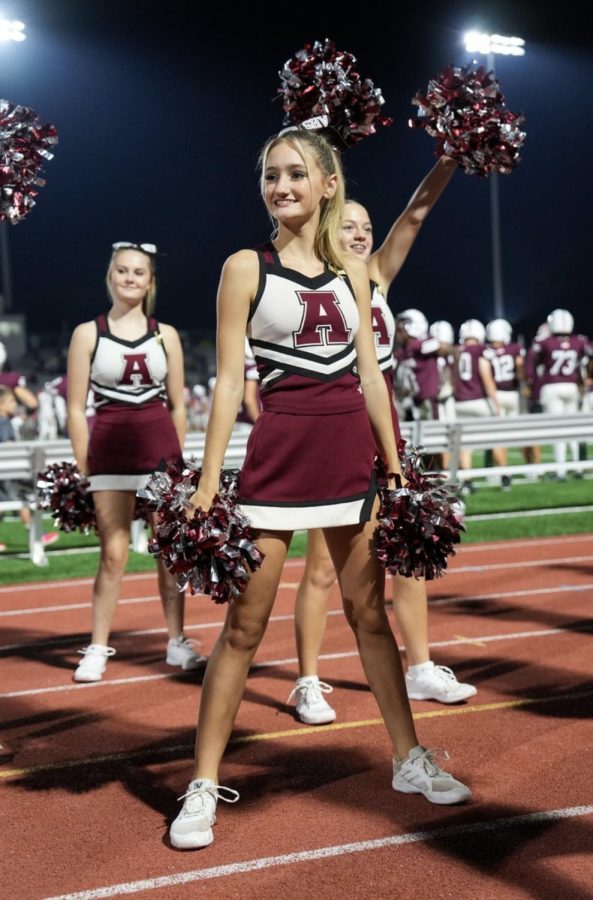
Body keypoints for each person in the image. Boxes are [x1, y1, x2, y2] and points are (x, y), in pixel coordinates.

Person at [169, 131, 471, 851]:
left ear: (327, 185)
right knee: (244, 628)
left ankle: (406, 759)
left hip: (349, 461)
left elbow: (370, 377)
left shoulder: (355, 272)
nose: (281, 186)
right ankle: (203, 782)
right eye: (271, 174)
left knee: (369, 616)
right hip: (277, 462)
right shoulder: (246, 268)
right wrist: (210, 478)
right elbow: (224, 383)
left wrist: (392, 464)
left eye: (296, 174)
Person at [290, 165, 475, 728]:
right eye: (349, 224)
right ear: (325, 226)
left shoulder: (376, 278)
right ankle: (306, 680)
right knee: (324, 565)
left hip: (387, 433)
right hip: (337, 433)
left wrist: (447, 158)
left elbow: (415, 211)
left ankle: (419, 666)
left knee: (409, 554)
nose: (362, 233)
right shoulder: (310, 284)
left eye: (366, 226)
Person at [66, 241, 207, 682]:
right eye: (122, 271)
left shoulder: (166, 335)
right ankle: (97, 646)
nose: (130, 278)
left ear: (150, 281)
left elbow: (179, 406)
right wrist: (83, 464)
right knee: (113, 553)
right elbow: (74, 408)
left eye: (138, 272)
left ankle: (176, 641)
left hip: (159, 451)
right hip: (109, 452)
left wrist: (178, 464)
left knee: (168, 554)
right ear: (110, 277)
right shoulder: (87, 333)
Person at [524, 308, 588, 480]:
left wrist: (529, 382)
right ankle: (578, 467)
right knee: (573, 428)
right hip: (571, 386)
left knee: (558, 430)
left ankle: (560, 470)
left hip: (552, 387)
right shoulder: (579, 341)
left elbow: (530, 363)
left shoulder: (544, 342)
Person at [0, 384, 59, 550]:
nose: (15, 405)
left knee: (13, 503)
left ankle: (37, 535)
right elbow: (8, 446)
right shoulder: (4, 423)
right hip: (8, 470)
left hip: (4, 471)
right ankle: (37, 536)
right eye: (11, 401)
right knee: (22, 501)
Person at [454, 319, 501, 494]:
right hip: (479, 401)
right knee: (496, 437)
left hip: (459, 402)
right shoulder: (480, 351)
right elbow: (486, 376)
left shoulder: (456, 351)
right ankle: (502, 475)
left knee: (465, 444)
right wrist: (495, 403)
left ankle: (467, 480)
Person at [482, 318, 526, 490]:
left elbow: (486, 376)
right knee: (511, 435)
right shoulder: (514, 349)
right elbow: (520, 368)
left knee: (498, 438)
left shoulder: (486, 352)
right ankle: (529, 470)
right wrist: (523, 383)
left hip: (497, 394)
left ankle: (502, 472)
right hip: (512, 395)